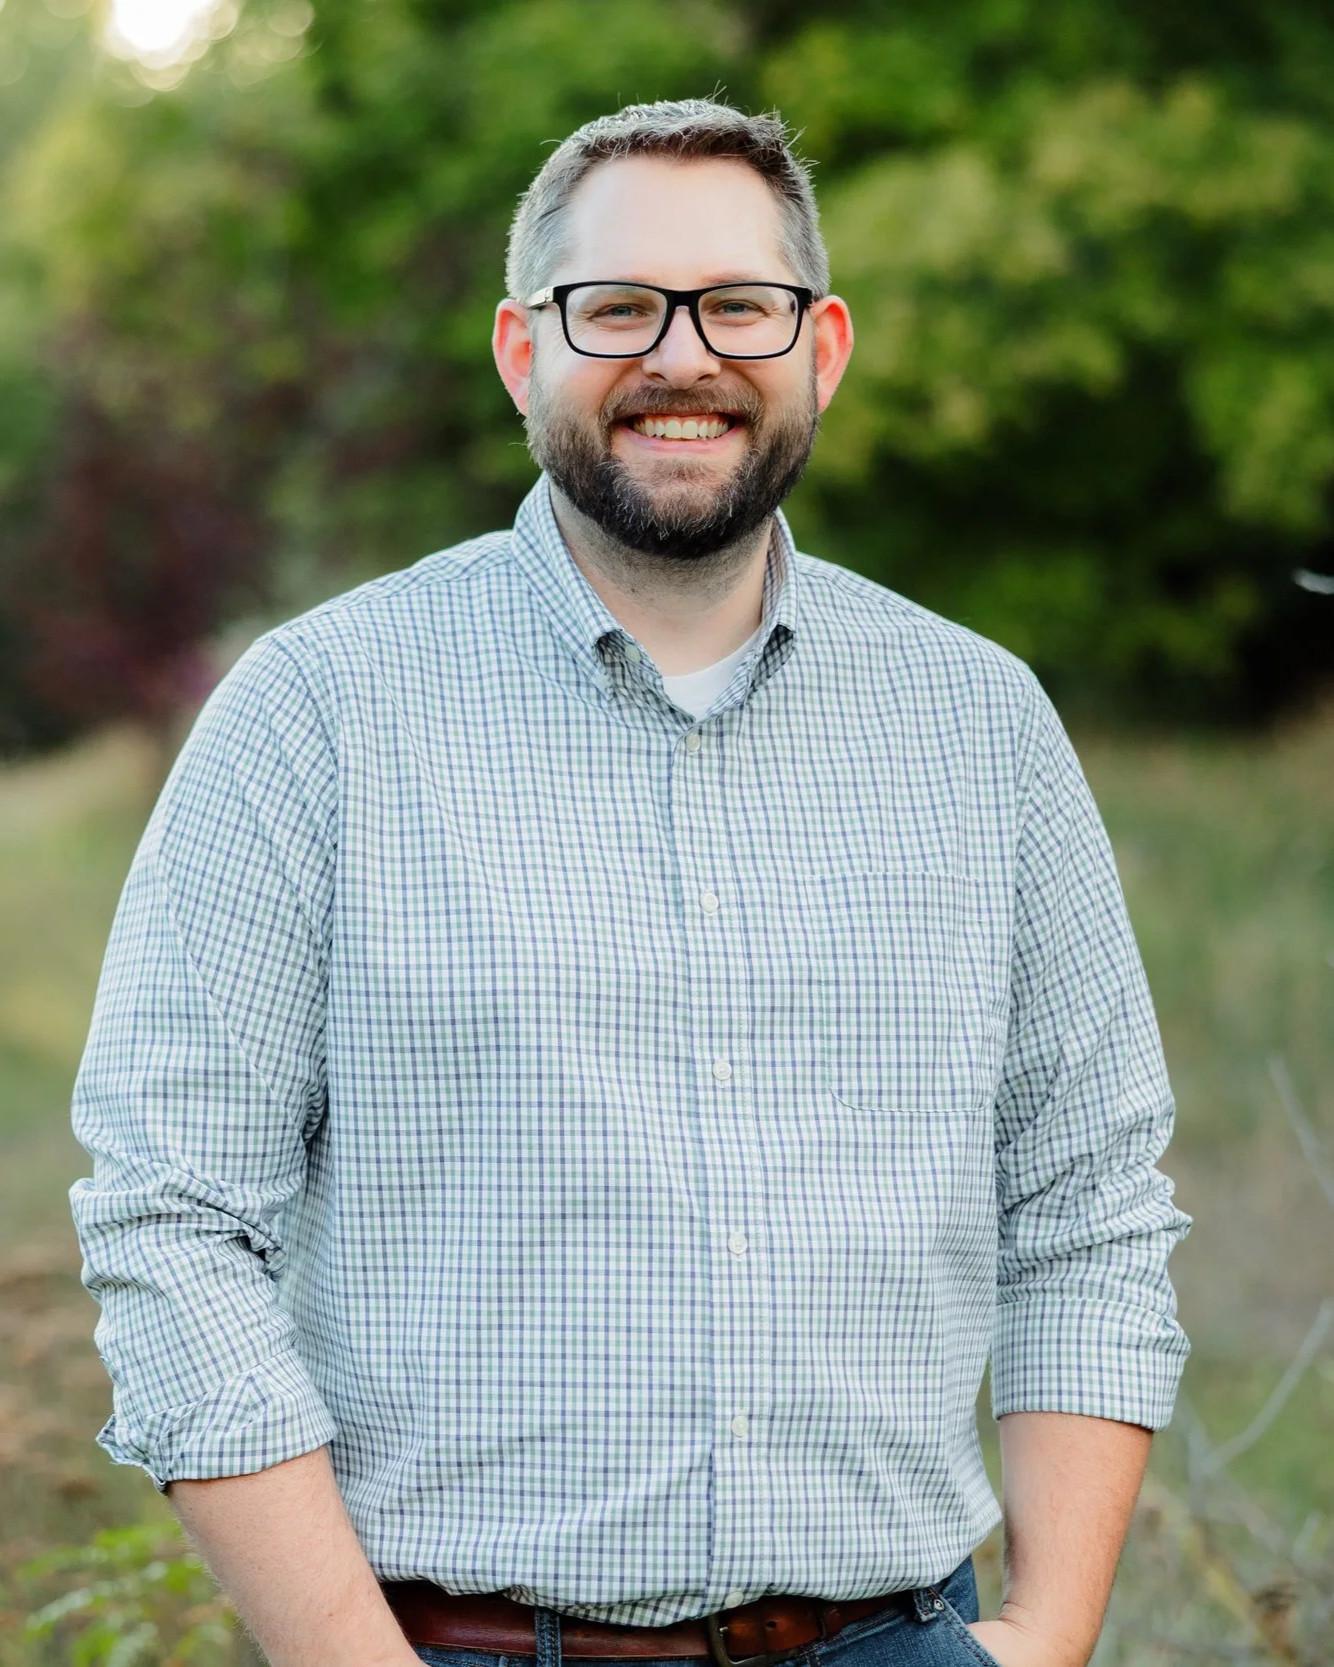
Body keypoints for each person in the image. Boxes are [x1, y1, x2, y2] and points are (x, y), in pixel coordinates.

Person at [68, 98, 1193, 1667]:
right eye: (618, 309)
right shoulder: (318, 709)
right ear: (525, 352)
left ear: (825, 347)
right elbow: (172, 1219)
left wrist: (1049, 1632)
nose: (684, 357)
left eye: (740, 304)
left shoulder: (979, 720)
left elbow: (1085, 1202)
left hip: (902, 1639)